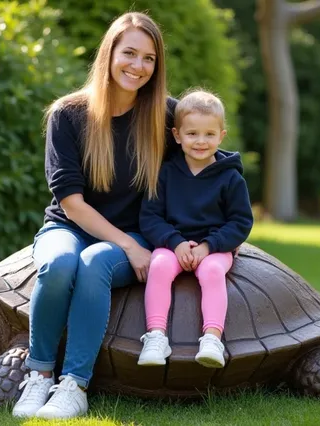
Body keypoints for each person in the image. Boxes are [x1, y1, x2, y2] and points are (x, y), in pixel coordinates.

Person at [11, 12, 178, 420]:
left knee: (93, 264)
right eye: (130, 53)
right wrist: (125, 245)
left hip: (138, 232)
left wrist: (224, 224)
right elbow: (70, 202)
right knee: (60, 262)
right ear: (110, 54)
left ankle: (74, 385)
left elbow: (205, 160)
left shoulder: (167, 116)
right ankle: (40, 374)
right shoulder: (67, 115)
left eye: (149, 59)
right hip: (69, 226)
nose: (138, 66)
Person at [137, 90, 254, 369]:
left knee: (212, 271)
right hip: (172, 245)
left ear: (221, 136)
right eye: (192, 134)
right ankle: (155, 336)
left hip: (215, 248)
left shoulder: (231, 178)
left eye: (209, 134)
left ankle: (212, 338)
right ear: (177, 135)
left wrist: (209, 246)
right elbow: (150, 216)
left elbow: (240, 222)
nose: (201, 141)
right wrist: (174, 243)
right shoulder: (165, 173)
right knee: (159, 265)